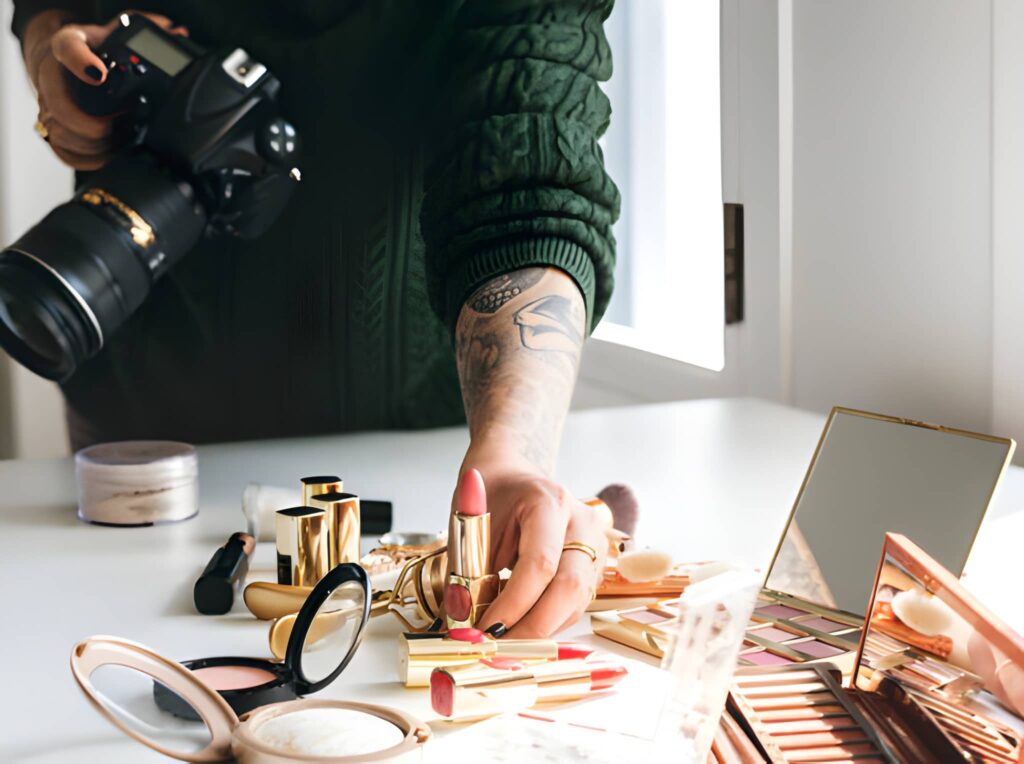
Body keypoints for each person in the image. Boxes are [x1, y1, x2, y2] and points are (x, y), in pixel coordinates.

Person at [11, 0, 620, 638]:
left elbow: (530, 171)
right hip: (140, 423)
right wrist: (55, 54)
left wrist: (514, 458)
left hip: (411, 442)